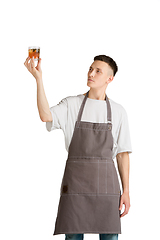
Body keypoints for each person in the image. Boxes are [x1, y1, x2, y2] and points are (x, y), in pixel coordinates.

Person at [24, 54, 132, 240]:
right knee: (73, 236)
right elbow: (45, 115)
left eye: (98, 71)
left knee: (109, 237)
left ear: (110, 78)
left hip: (107, 187)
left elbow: (122, 154)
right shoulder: (71, 104)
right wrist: (38, 79)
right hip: (75, 185)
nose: (91, 73)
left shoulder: (118, 111)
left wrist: (127, 191)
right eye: (91, 68)